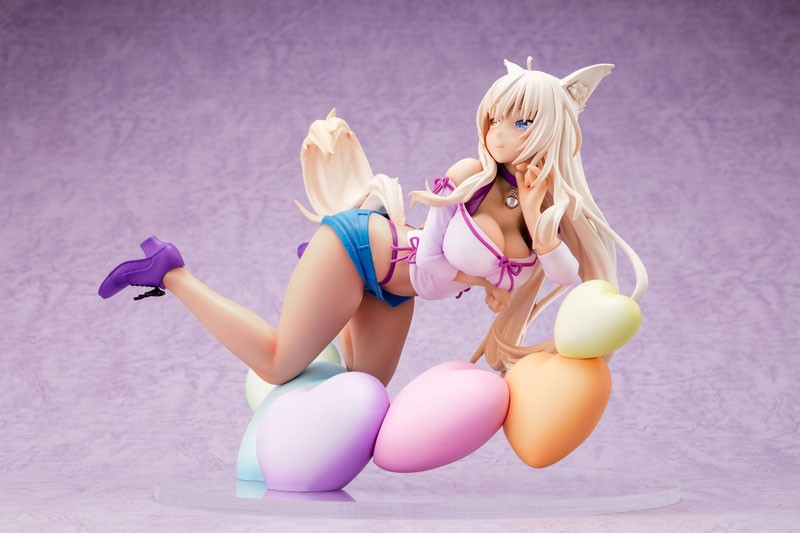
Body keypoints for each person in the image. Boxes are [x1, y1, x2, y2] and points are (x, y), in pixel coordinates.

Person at [98, 57, 648, 389]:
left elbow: (569, 280)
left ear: (552, 129)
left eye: (520, 122)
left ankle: (329, 283)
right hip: (364, 248)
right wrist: (483, 280)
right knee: (278, 364)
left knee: (361, 395)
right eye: (493, 119)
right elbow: (435, 262)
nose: (497, 135)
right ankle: (170, 271)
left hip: (393, 289)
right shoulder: (470, 178)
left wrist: (535, 221)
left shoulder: (548, 209)